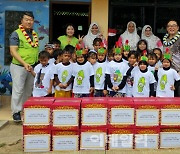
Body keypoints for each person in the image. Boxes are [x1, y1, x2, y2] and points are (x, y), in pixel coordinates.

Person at [9, 12, 39, 122]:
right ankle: (16, 112)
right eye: (26, 19)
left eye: (31, 20)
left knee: (28, 90)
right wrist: (24, 63)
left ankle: (25, 109)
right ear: (21, 21)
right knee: (18, 89)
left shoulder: (34, 34)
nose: (29, 22)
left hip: (32, 67)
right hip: (19, 66)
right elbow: (13, 51)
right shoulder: (16, 34)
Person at [163, 20, 180, 96]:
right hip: (167, 70)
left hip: (178, 70)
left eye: (173, 26)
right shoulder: (165, 40)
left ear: (177, 28)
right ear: (167, 28)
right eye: (169, 26)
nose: (171, 27)